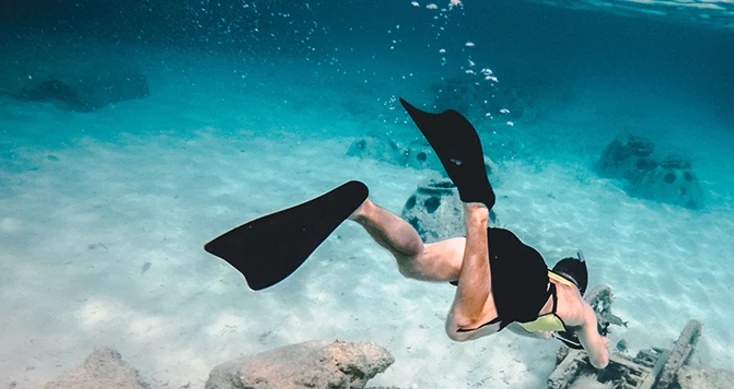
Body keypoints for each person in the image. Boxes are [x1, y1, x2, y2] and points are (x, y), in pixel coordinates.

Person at [205, 98, 609, 369]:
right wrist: (597, 346)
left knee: (414, 265)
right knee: (460, 328)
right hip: (523, 283)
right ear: (577, 283)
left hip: (512, 252)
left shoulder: (558, 286)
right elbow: (600, 358)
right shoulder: (579, 311)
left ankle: (361, 209)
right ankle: (477, 210)